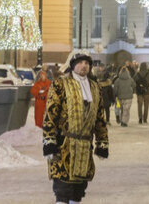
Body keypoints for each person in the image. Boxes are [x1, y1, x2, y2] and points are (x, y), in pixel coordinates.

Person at [42, 54, 109, 204]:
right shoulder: (60, 84)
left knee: (78, 189)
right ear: (73, 65)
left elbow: (100, 118)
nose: (84, 66)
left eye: (87, 63)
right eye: (80, 62)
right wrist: (49, 141)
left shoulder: (95, 87)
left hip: (84, 146)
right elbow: (50, 114)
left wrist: (102, 142)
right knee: (63, 187)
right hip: (64, 144)